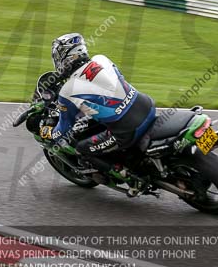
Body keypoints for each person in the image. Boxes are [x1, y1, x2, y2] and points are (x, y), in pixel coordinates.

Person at [37, 33, 157, 179]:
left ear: (65, 58)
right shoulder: (101, 59)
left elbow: (63, 129)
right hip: (146, 105)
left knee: (82, 149)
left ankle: (127, 176)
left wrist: (45, 132)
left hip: (126, 129)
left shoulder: (67, 90)